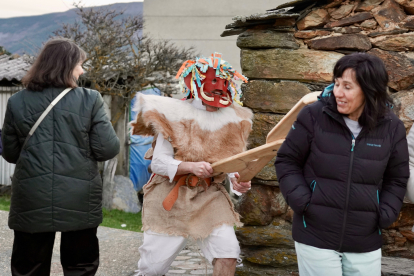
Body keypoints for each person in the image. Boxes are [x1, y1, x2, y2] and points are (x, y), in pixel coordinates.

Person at [275, 53, 409, 276]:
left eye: (347, 86)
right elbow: (287, 160)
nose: (338, 92)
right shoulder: (313, 115)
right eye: (336, 84)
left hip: (364, 240)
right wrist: (304, 202)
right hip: (315, 235)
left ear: (369, 90)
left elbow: (397, 177)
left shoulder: (392, 127)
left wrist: (384, 213)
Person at [2, 37, 120, 276]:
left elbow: (12, 153)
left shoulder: (17, 101)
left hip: (32, 196)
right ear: (67, 66)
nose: (83, 69)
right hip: (79, 196)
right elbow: (107, 149)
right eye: (79, 64)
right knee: (80, 267)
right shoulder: (90, 99)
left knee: (28, 268)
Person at [131, 52, 252, 276]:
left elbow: (232, 163)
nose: (220, 87)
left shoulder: (232, 119)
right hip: (170, 196)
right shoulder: (172, 114)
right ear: (197, 82)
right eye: (215, 81)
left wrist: (239, 182)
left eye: (224, 83)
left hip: (209, 195)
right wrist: (190, 167)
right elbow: (158, 163)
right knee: (152, 269)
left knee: (228, 253)